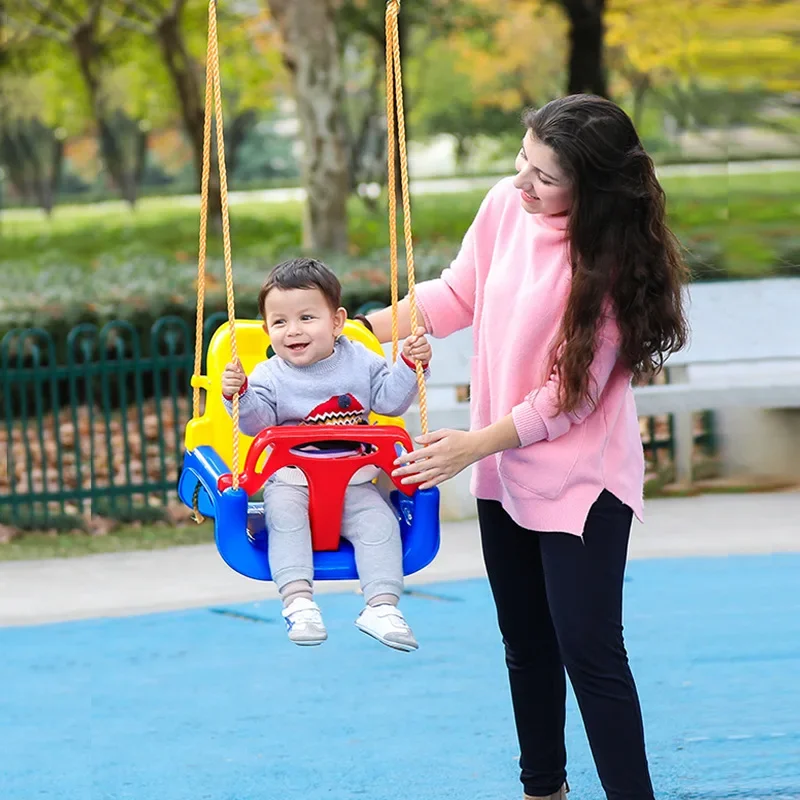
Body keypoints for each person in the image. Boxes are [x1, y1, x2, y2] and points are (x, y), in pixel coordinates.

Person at [364, 95, 689, 799]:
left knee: (589, 650)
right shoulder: (505, 209)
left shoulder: (611, 264)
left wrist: (473, 445)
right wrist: (349, 332)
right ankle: (544, 789)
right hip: (502, 473)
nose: (521, 182)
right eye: (522, 159)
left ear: (592, 188)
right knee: (525, 643)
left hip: (581, 482)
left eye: (543, 175)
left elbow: (567, 397)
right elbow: (455, 295)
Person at [221, 257, 431, 652]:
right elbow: (254, 423)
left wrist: (408, 364)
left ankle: (381, 607)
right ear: (267, 331)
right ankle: (299, 601)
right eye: (279, 323)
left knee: (380, 527)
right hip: (291, 481)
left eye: (306, 317)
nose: (293, 331)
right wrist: (240, 394)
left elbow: (390, 401)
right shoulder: (269, 375)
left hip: (354, 482)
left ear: (336, 322)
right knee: (283, 521)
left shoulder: (361, 361)